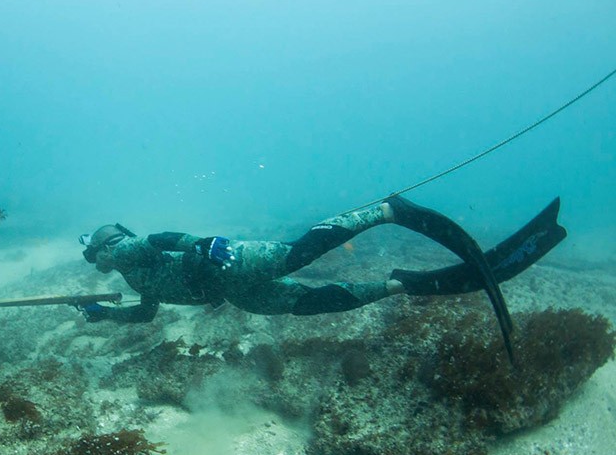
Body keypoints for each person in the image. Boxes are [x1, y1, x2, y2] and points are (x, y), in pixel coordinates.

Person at [77, 196, 567, 363]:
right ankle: (402, 284)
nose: (95, 259)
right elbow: (144, 312)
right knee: (309, 303)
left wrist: (202, 243)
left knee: (297, 255)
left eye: (92, 252)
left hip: (226, 265)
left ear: (102, 247)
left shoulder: (123, 251)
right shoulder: (135, 280)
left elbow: (163, 237)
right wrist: (104, 315)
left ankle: (385, 210)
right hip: (234, 291)